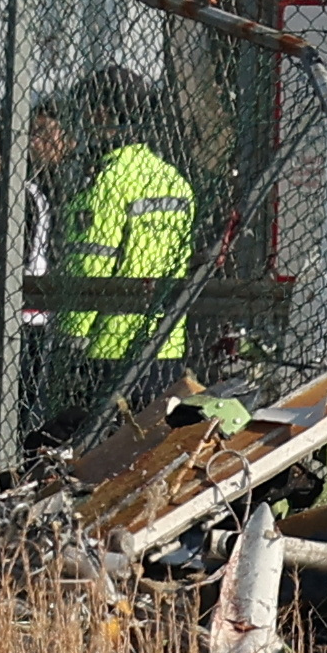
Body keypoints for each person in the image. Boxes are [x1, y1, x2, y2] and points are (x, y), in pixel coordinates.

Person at [27, 86, 202, 440]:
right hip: (165, 338)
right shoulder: (174, 180)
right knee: (148, 443)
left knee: (91, 444)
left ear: (101, 116)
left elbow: (90, 264)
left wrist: (71, 334)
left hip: (108, 344)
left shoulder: (108, 181)